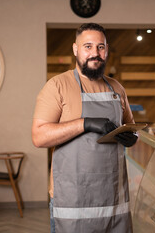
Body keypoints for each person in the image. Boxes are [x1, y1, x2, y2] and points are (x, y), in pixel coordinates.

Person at [32, 23, 137, 233]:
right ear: (75, 49)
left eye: (100, 47)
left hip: (113, 197)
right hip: (73, 199)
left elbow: (130, 126)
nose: (95, 53)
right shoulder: (57, 86)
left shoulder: (117, 88)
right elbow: (39, 137)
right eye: (87, 46)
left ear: (106, 50)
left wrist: (131, 135)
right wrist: (85, 123)